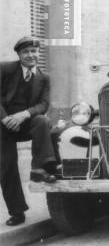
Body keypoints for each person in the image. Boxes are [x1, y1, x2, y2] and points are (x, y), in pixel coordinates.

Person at [0, 36, 58, 226]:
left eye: (34, 51)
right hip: (2, 124)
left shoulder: (44, 77)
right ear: (19, 54)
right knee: (7, 166)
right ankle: (17, 212)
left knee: (42, 121)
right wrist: (6, 118)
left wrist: (23, 114)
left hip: (24, 122)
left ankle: (41, 167)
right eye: (26, 52)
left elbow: (43, 105)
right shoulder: (5, 69)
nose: (31, 55)